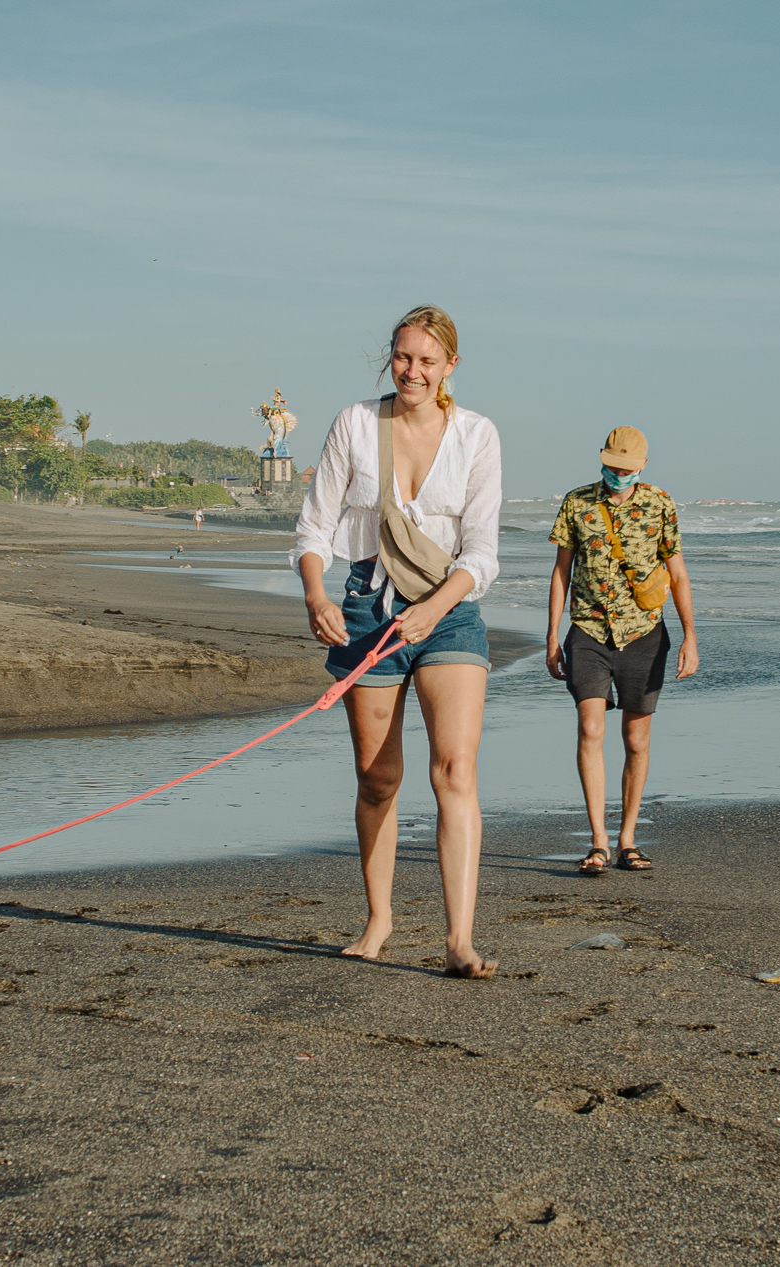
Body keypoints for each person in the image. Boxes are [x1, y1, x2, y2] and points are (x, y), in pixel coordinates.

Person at [293, 305, 502, 978]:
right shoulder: (355, 423)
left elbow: (482, 551)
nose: (412, 370)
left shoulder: (477, 436)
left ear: (451, 367)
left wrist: (433, 608)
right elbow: (315, 528)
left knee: (456, 769)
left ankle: (460, 938)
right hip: (363, 608)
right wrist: (317, 595)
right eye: (403, 356)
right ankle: (379, 917)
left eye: (427, 361)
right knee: (378, 778)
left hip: (451, 609)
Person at [545, 427, 698, 874]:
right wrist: (551, 636)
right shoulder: (578, 503)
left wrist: (690, 635)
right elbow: (561, 573)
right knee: (590, 729)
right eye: (612, 466)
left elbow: (679, 574)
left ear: (643, 465)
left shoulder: (660, 503)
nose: (618, 474)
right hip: (588, 631)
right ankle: (597, 842)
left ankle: (628, 839)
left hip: (644, 635)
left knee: (636, 738)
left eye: (626, 468)